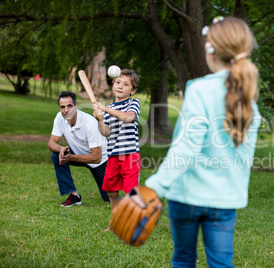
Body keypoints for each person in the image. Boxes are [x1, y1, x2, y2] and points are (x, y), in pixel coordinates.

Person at [144, 17, 262, 267]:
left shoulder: (198, 89)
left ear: (210, 51)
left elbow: (187, 146)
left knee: (184, 259)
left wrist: (155, 186)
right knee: (221, 263)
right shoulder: (250, 102)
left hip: (185, 197)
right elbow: (242, 158)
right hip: (224, 201)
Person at [92, 69, 141, 228]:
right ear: (113, 84)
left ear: (132, 90)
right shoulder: (110, 108)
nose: (120, 86)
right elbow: (105, 132)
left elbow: (128, 118)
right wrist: (99, 119)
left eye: (126, 84)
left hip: (130, 155)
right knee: (111, 191)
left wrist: (105, 109)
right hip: (113, 155)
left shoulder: (133, 103)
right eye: (118, 82)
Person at [48, 91, 110, 207]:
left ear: (76, 106)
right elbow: (51, 143)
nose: (66, 110)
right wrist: (61, 149)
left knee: (108, 198)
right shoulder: (59, 118)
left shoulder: (89, 123)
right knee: (56, 155)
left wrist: (70, 157)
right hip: (78, 154)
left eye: (69, 106)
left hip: (100, 160)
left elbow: (96, 157)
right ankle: (74, 195)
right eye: (63, 107)